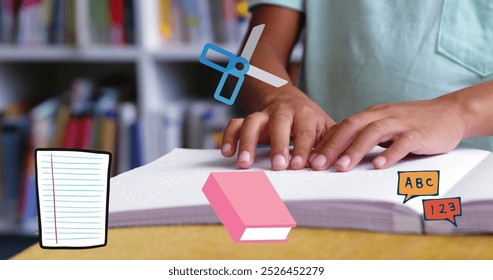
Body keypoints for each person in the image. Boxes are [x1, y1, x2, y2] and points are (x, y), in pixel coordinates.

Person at [220, 0, 493, 172]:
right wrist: (277, 96)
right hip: (331, 171)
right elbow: (253, 51)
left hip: (476, 176)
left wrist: (458, 112)